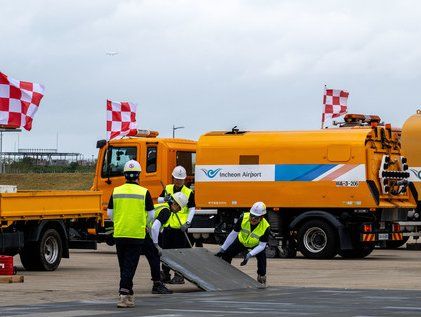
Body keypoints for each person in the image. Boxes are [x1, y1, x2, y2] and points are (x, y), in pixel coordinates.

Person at [107, 160, 171, 308]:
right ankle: (123, 294)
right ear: (139, 175)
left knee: (124, 265)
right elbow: (150, 215)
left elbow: (110, 214)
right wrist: (139, 222)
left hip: (120, 233)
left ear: (124, 175)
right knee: (130, 265)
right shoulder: (144, 192)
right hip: (136, 235)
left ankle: (129, 294)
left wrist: (122, 220)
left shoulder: (116, 191)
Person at [215, 202, 270, 285]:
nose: (253, 219)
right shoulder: (243, 218)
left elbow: (262, 245)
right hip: (241, 241)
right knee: (226, 254)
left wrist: (249, 254)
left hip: (256, 245)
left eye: (256, 217)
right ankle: (226, 275)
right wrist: (223, 249)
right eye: (252, 215)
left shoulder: (266, 227)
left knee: (262, 258)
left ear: (262, 217)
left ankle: (261, 277)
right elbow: (233, 234)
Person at [157, 166, 196, 284]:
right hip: (168, 226)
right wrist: (165, 198)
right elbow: (158, 199)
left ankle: (179, 275)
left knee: (180, 252)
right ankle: (165, 274)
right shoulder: (168, 188)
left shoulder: (189, 192)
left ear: (184, 180)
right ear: (173, 178)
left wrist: (188, 223)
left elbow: (192, 209)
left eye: (181, 179)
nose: (178, 181)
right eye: (177, 179)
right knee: (166, 252)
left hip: (181, 227)